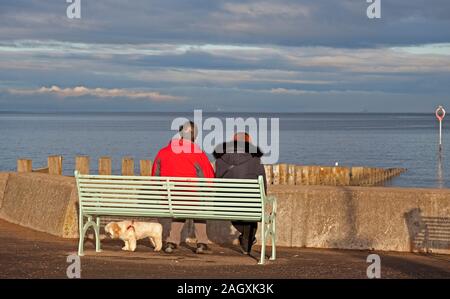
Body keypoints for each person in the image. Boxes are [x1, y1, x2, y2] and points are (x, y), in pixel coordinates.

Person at [152, 121, 215, 254]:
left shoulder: (163, 152)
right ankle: (202, 243)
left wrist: (163, 191)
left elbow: (155, 176)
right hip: (192, 199)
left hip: (170, 199)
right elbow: (208, 178)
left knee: (179, 206)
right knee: (198, 207)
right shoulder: (197, 153)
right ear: (194, 136)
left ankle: (172, 242)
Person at [213, 132, 267, 255]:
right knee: (251, 210)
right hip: (248, 203)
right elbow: (262, 182)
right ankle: (247, 240)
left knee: (235, 205)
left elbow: (217, 180)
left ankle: (246, 239)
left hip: (225, 204)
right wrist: (264, 198)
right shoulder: (256, 159)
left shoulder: (221, 159)